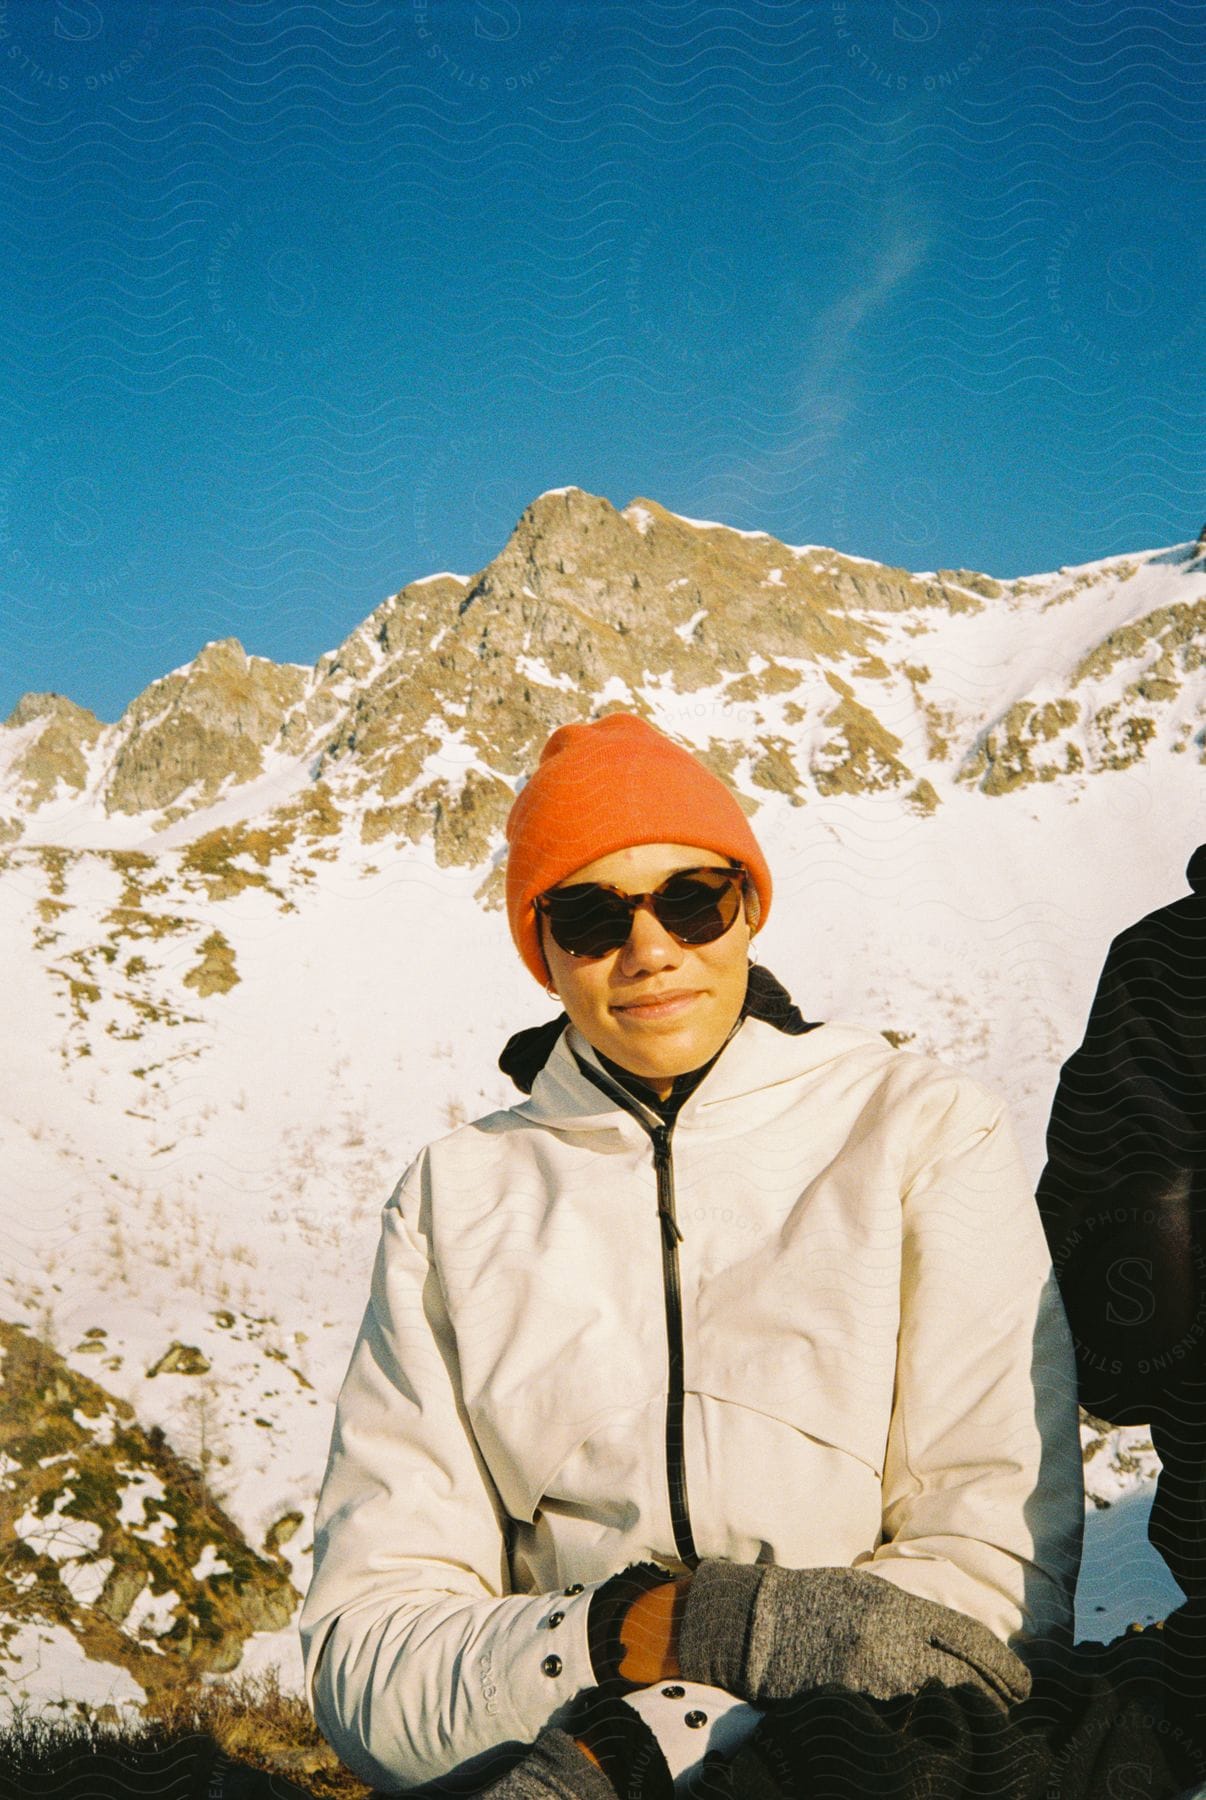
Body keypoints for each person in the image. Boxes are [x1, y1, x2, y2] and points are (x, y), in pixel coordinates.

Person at [299, 714, 1084, 1798]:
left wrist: (693, 1699)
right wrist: (627, 1635)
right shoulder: (454, 1196)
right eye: (588, 916)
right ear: (544, 950)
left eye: (692, 899)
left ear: (749, 905)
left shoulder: (919, 1129)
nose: (652, 949)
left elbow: (996, 1590)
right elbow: (366, 1660)